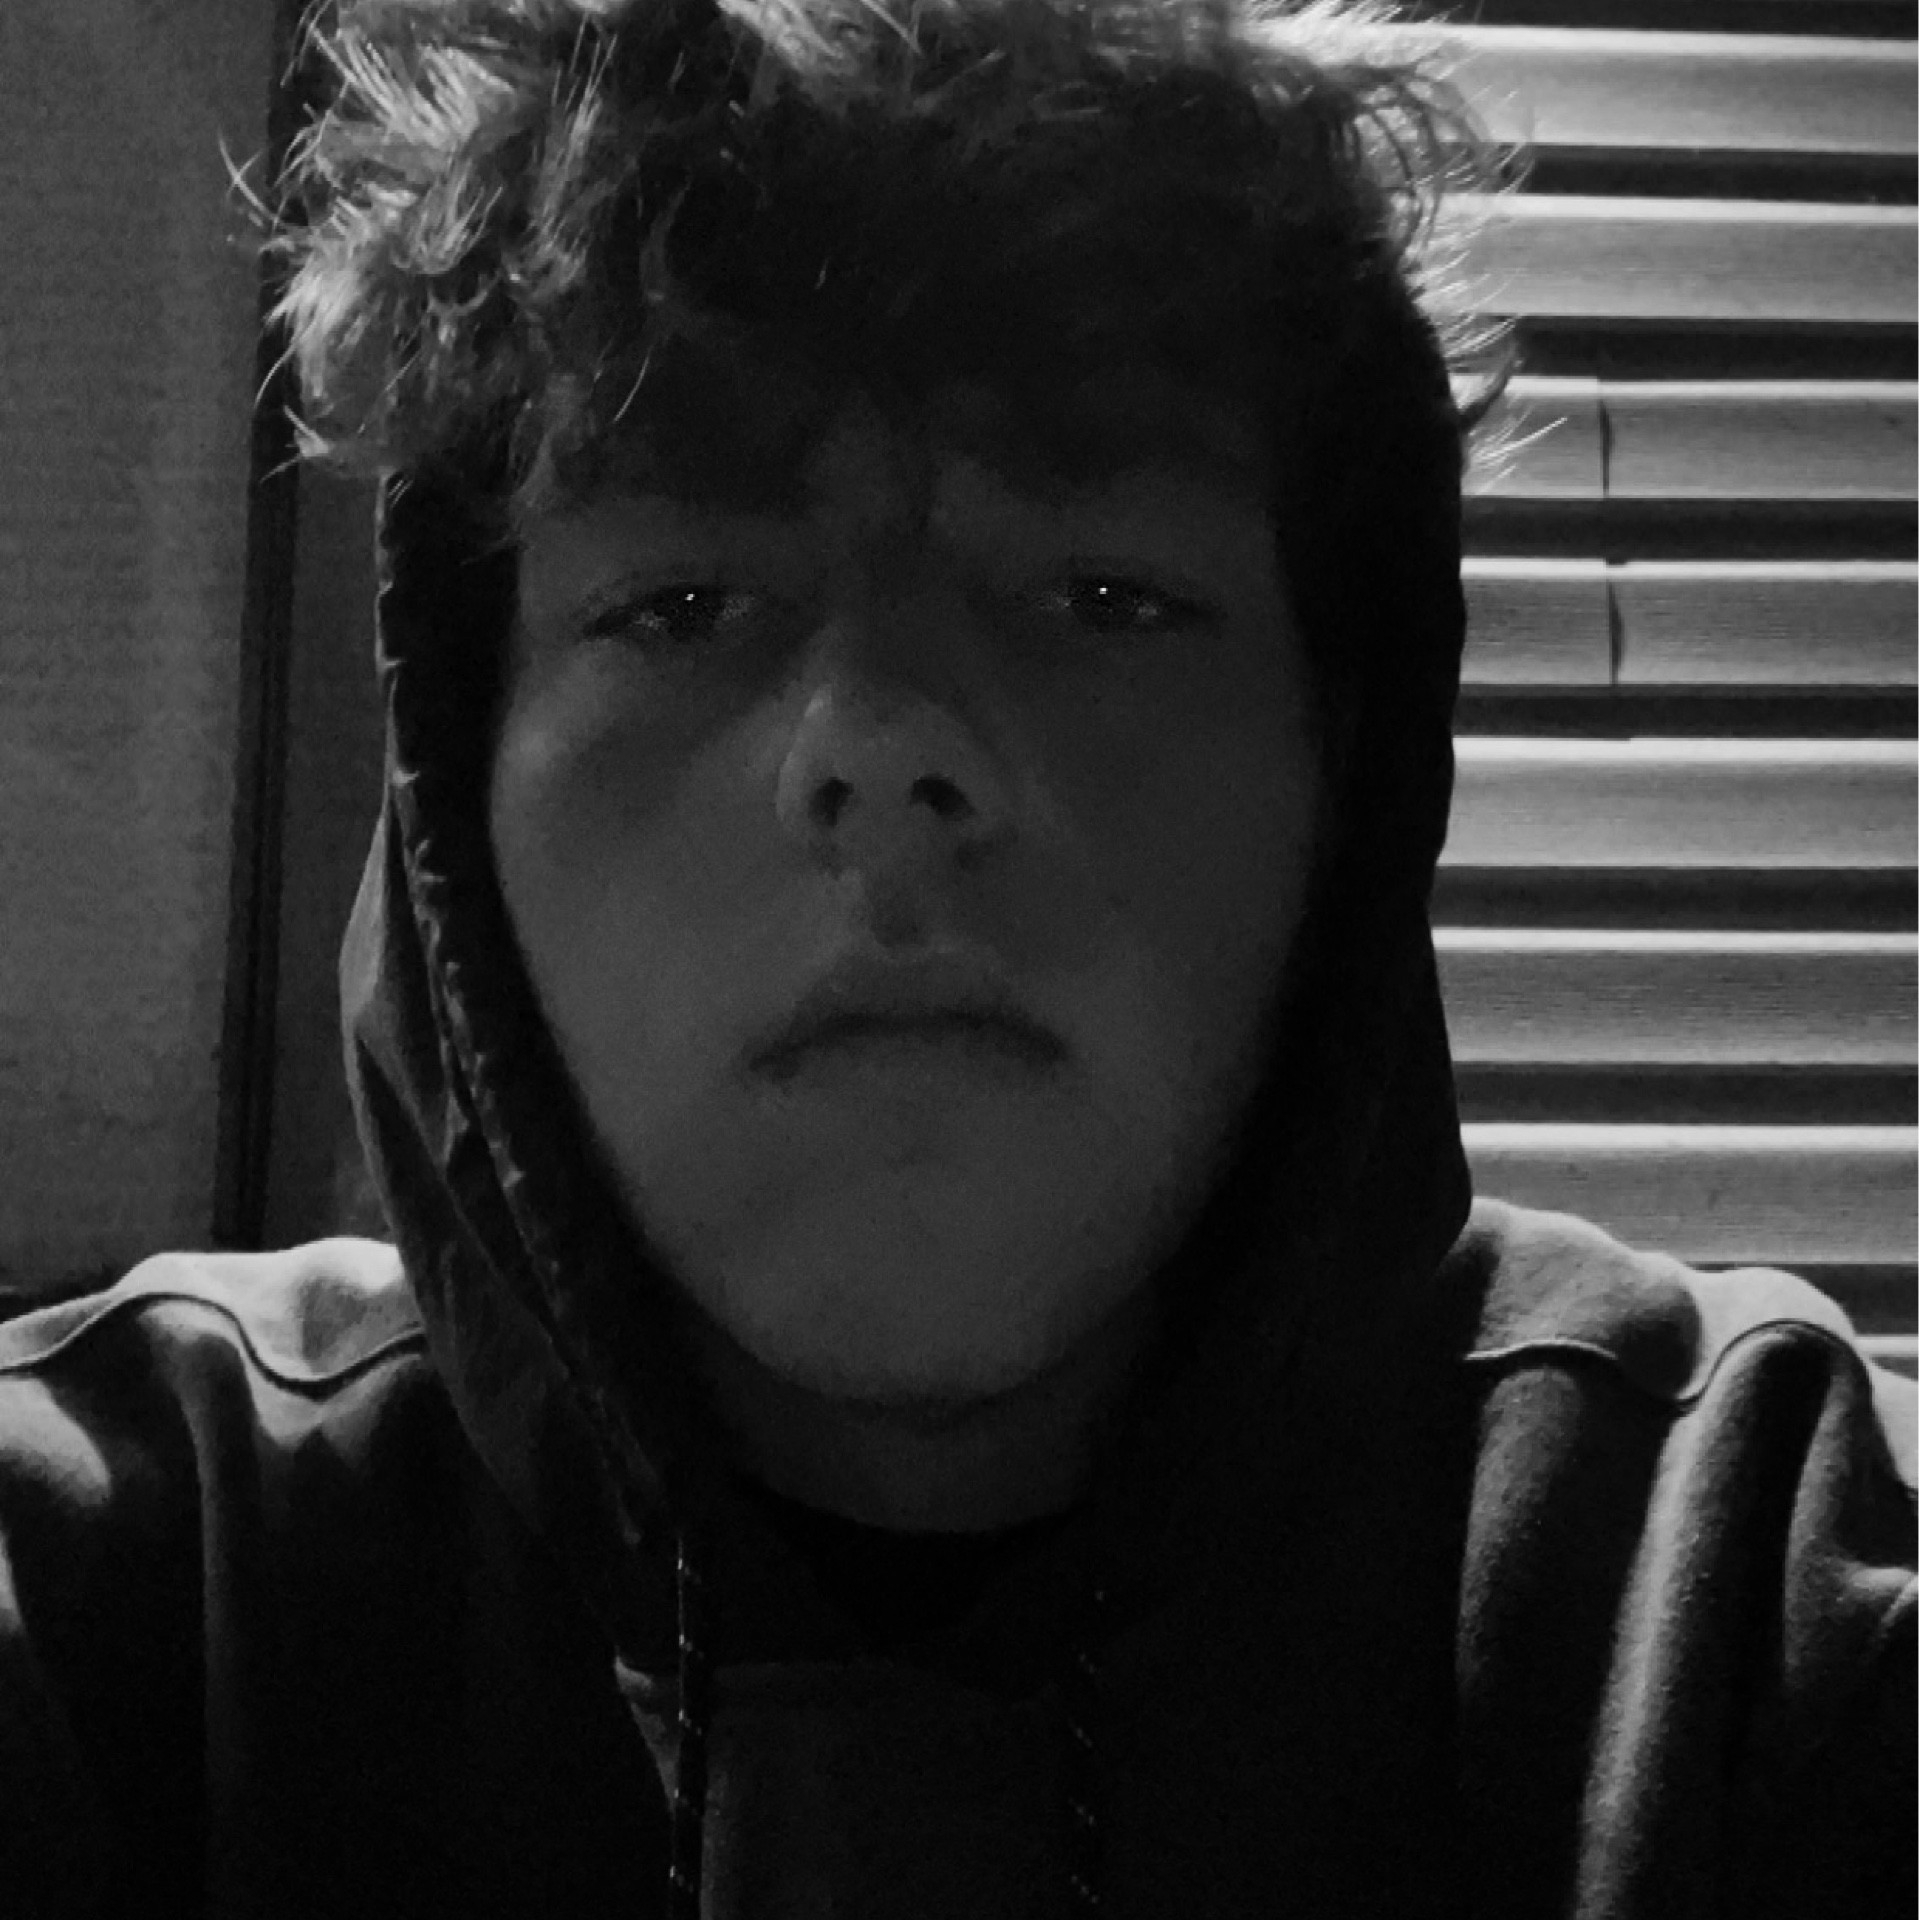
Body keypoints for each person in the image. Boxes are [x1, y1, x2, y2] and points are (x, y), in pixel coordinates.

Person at [2, 0, 1911, 1913]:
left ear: (1347, 774)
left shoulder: (1748, 1606)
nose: (884, 742)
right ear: (453, 787)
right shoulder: (115, 1610)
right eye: (682, 601)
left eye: (1107, 595)